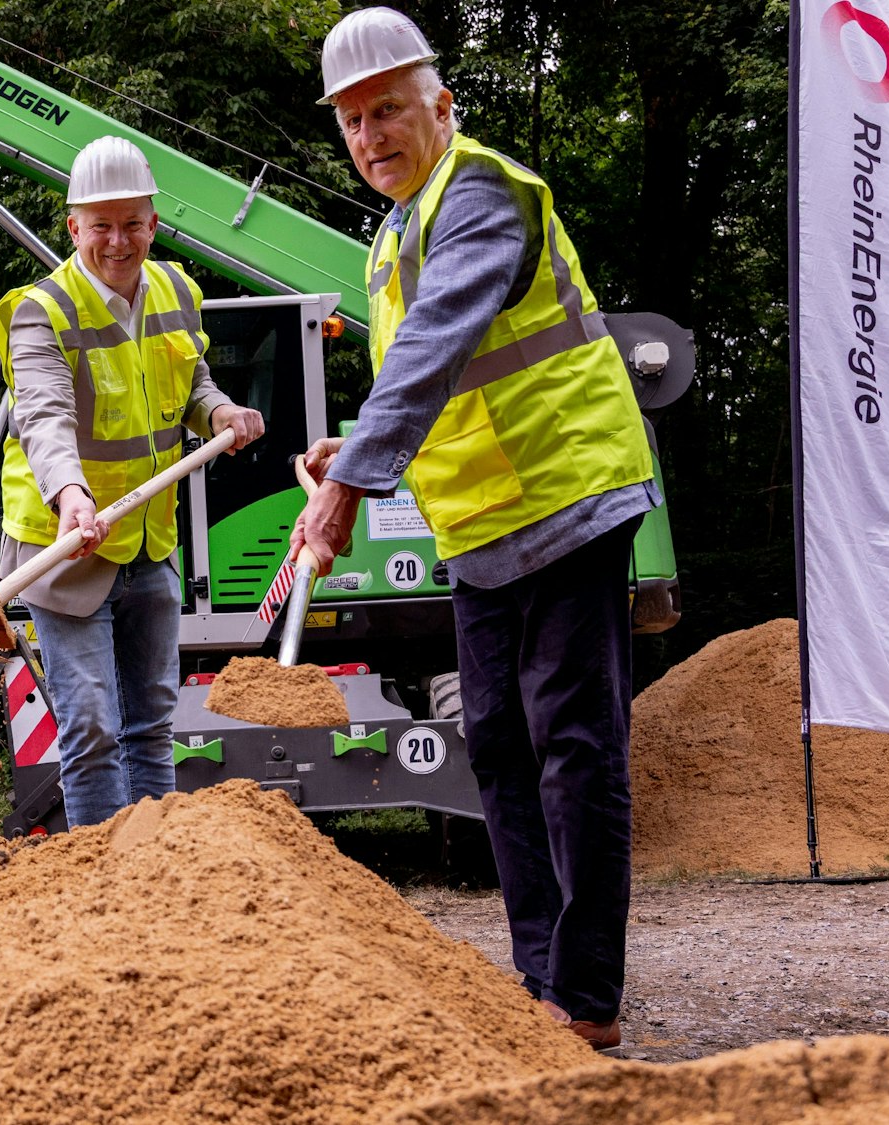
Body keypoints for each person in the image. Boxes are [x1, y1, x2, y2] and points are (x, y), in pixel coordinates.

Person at [290, 8, 659, 1049]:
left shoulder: (481, 193)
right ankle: (536, 976)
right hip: (480, 527)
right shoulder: (388, 239)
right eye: (352, 121)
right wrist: (347, 449)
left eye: (388, 110)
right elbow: (426, 379)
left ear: (438, 106)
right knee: (494, 744)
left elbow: (445, 336)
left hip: (567, 494)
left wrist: (353, 481)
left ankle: (582, 998)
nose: (371, 136)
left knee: (571, 742)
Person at [0, 135, 265, 830]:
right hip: (69, 547)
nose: (118, 240)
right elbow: (45, 417)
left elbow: (190, 383)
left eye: (132, 223)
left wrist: (220, 411)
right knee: (91, 729)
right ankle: (103, 891)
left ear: (155, 224)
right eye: (101, 225)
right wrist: (72, 497)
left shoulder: (177, 291)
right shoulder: (40, 310)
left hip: (147, 542)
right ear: (73, 226)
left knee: (150, 728)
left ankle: (154, 885)